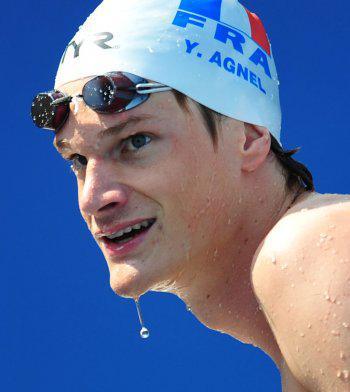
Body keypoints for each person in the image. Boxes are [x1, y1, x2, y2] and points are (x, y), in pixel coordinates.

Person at [31, 0, 350, 390]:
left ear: (248, 137)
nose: (93, 198)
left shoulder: (317, 247)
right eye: (78, 160)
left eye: (136, 141)